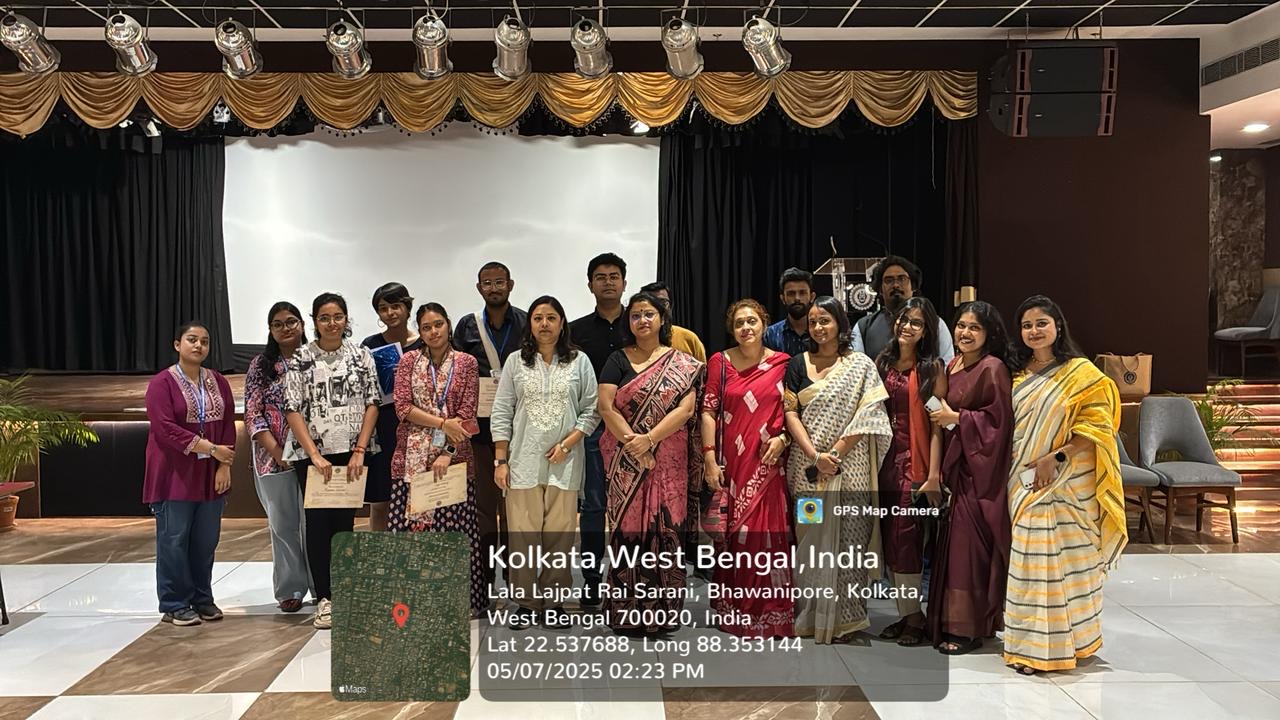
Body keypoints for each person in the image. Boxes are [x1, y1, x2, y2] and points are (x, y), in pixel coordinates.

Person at [1003, 295, 1125, 676]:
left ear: (1058, 325)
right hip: (1023, 480)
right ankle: (1031, 647)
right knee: (1030, 563)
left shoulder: (1081, 374)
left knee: (1071, 566)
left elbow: (1099, 426)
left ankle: (1071, 642)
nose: (1034, 331)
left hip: (1067, 482)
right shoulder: (1016, 374)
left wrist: (1056, 457)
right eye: (1026, 325)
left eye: (1041, 323)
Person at [783, 296, 892, 644]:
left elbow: (871, 414)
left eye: (825, 320)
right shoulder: (797, 364)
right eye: (813, 322)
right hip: (808, 471)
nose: (818, 327)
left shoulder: (860, 365)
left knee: (850, 542)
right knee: (809, 540)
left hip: (851, 469)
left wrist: (835, 454)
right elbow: (790, 414)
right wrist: (815, 456)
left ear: (840, 324)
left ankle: (848, 621)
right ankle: (811, 617)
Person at [597, 291, 703, 636]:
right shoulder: (617, 359)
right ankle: (626, 612)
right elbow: (606, 407)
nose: (642, 320)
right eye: (635, 315)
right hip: (626, 460)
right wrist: (635, 444)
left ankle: (662, 613)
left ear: (661, 319)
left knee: (666, 530)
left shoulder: (681, 363)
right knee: (627, 532)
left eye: (648, 314)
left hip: (668, 459)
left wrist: (650, 439)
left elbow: (686, 410)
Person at [491, 295, 599, 630]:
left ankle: (554, 602)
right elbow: (502, 410)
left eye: (551, 317)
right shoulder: (516, 362)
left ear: (562, 323)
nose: (544, 324)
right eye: (538, 318)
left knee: (560, 536)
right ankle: (525, 602)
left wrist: (568, 444)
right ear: (530, 324)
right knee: (522, 536)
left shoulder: (579, 361)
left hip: (565, 463)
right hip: (522, 462)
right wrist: (500, 460)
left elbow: (592, 409)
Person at [284, 292, 381, 630]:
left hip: (351, 454)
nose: (332, 323)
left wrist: (360, 449)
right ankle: (325, 598)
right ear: (315, 322)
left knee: (345, 525)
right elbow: (292, 408)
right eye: (324, 318)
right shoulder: (301, 357)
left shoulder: (361, 355)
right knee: (318, 525)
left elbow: (372, 402)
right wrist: (313, 454)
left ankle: (346, 593)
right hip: (312, 457)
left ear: (346, 319)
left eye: (338, 316)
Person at [925, 300, 1014, 655]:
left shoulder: (993, 368)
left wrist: (957, 419)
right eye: (961, 325)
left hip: (979, 476)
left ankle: (967, 628)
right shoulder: (954, 364)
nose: (965, 332)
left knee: (969, 551)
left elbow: (998, 425)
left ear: (989, 333)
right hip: (956, 470)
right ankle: (959, 620)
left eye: (974, 327)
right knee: (953, 550)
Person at [701, 299, 793, 638]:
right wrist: (709, 459)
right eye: (739, 323)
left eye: (752, 321)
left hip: (769, 464)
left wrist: (783, 438)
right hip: (732, 466)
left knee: (768, 536)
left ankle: (771, 612)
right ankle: (736, 607)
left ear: (764, 324)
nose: (745, 328)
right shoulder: (720, 362)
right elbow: (708, 411)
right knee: (736, 538)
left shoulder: (783, 364)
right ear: (732, 329)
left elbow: (793, 412)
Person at [387, 303, 485, 615]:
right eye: (426, 327)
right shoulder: (408, 362)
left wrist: (447, 453)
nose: (433, 331)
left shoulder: (467, 363)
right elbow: (403, 408)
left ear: (448, 324)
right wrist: (443, 424)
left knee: (454, 534)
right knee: (413, 536)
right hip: (412, 460)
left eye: (438, 324)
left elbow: (467, 416)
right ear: (420, 331)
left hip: (453, 461)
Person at [144, 321, 236, 626]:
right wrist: (210, 448)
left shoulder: (218, 381)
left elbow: (227, 424)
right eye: (192, 339)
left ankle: (202, 598)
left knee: (205, 541)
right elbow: (164, 428)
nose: (198, 345)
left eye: (204, 341)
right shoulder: (162, 383)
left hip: (211, 474)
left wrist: (224, 464)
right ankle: (174, 603)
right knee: (174, 540)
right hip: (175, 474)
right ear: (177, 344)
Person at [873, 297, 946, 646]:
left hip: (914, 465)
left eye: (916, 322)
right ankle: (905, 615)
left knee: (907, 541)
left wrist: (933, 476)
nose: (907, 326)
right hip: (882, 462)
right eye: (904, 319)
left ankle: (915, 617)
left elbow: (937, 426)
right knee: (888, 540)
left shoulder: (932, 368)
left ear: (926, 330)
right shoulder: (883, 362)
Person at [454, 261, 527, 591]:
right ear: (478, 287)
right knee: (483, 508)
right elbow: (456, 374)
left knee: (515, 509)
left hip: (521, 432)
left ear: (510, 284)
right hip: (479, 433)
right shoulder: (467, 326)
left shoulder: (526, 322)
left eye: (500, 282)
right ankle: (482, 579)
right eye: (488, 283)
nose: (494, 288)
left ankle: (515, 577)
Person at [570, 252, 630, 608]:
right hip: (592, 427)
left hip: (635, 429)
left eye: (614, 276)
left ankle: (628, 576)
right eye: (600, 277)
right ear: (590, 284)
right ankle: (592, 579)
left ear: (624, 282)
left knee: (633, 505)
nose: (608, 282)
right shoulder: (575, 331)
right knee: (593, 505)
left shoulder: (639, 323)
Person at [244, 302, 312, 613]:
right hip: (273, 459)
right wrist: (277, 451)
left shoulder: (315, 358)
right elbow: (253, 414)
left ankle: (322, 587)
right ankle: (290, 588)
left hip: (315, 456)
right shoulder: (261, 365)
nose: (286, 328)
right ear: (270, 330)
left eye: (291, 321)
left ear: (302, 324)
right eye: (278, 324)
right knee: (283, 526)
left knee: (314, 524)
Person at [361, 283, 421, 532]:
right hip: (382, 430)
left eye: (396, 306)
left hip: (417, 428)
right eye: (383, 308)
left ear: (407, 307)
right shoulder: (369, 345)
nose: (390, 313)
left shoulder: (424, 343)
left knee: (418, 499)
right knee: (380, 502)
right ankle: (378, 553)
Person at [853, 256, 954, 363]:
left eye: (902, 279)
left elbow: (947, 365)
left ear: (913, 286)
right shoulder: (863, 327)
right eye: (889, 280)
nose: (896, 285)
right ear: (880, 289)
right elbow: (856, 367)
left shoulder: (935, 323)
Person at [641, 281, 706, 362]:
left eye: (663, 302)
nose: (657, 308)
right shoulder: (631, 342)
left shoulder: (689, 339)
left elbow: (702, 369)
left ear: (671, 307)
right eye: (650, 303)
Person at [763, 267, 815, 356]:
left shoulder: (821, 331)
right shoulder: (770, 334)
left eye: (802, 293)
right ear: (783, 299)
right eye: (791, 293)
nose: (797, 298)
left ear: (812, 297)